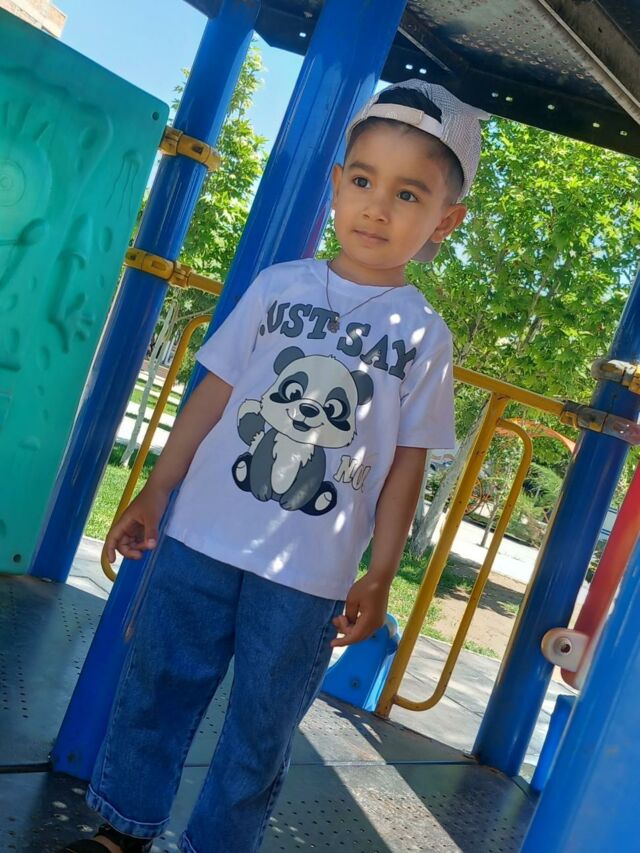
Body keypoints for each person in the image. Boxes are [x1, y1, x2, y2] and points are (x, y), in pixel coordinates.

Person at [60, 79, 487, 853]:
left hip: (309, 578)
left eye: (407, 194)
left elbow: (405, 467)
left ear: (445, 221)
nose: (377, 208)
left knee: (261, 729)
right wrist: (156, 488)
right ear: (337, 183)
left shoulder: (424, 335)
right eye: (363, 180)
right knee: (158, 687)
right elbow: (213, 394)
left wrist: (380, 572)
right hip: (201, 538)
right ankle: (123, 827)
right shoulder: (279, 286)